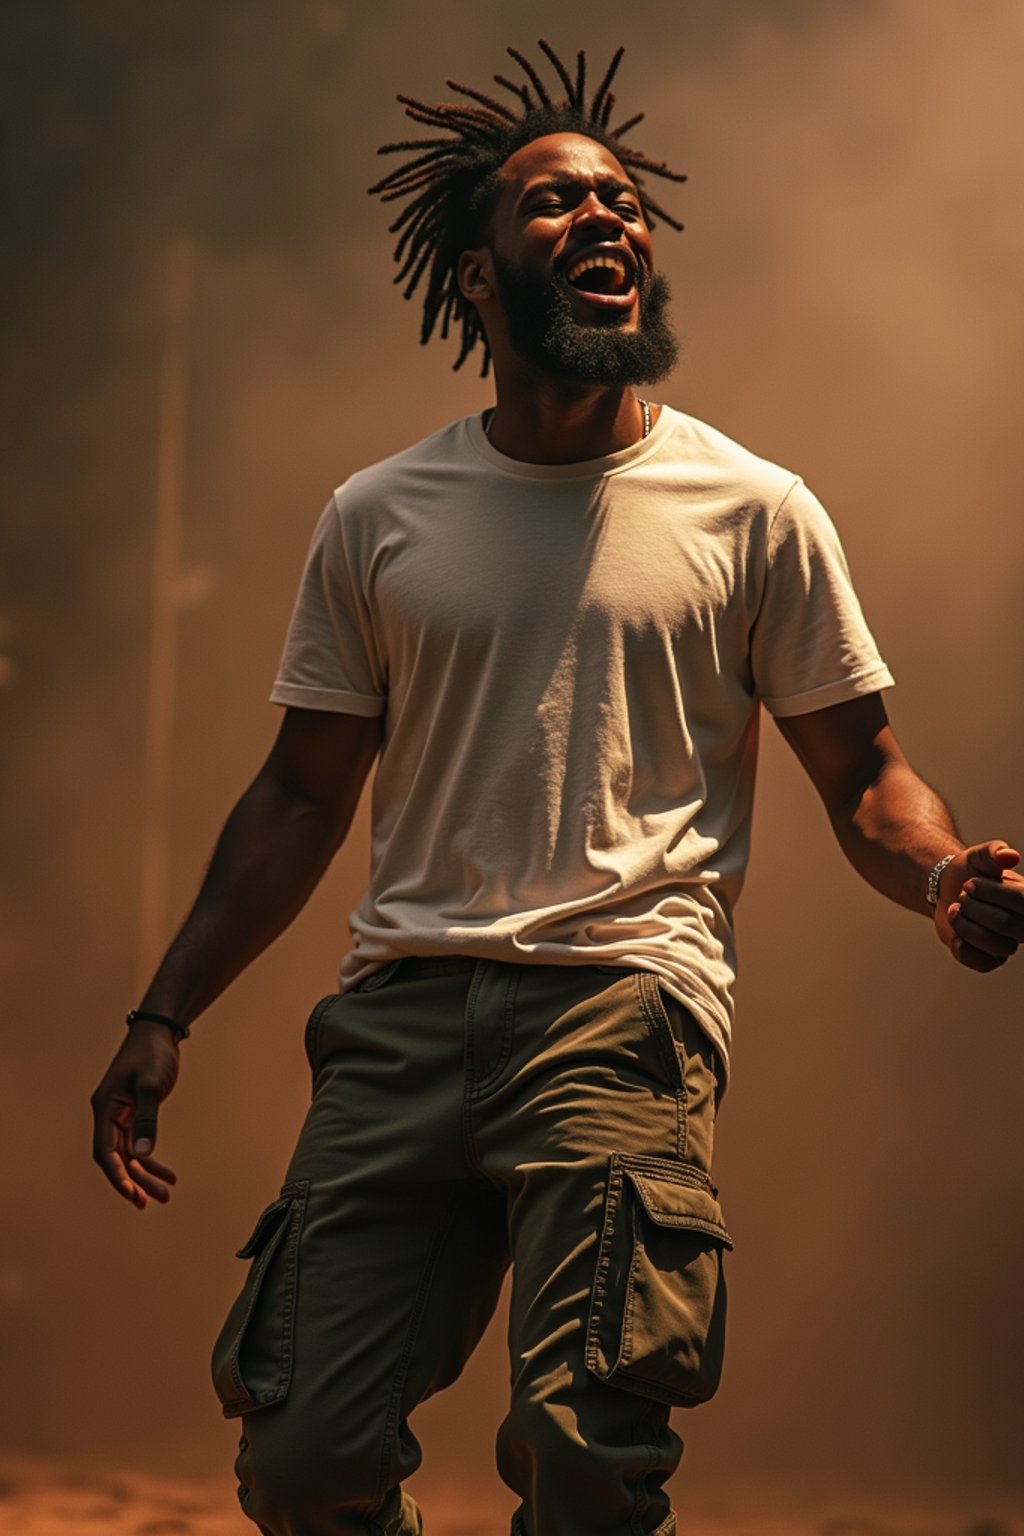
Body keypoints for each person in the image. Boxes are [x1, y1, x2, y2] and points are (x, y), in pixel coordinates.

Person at [91, 41, 1023, 1536]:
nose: (609, 219)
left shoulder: (754, 511)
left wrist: (940, 874)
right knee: (303, 1462)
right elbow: (296, 800)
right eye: (559, 202)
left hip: (623, 1009)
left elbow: (867, 777)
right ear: (475, 277)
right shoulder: (378, 517)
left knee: (589, 1455)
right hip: (394, 1021)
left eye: (626, 200)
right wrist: (162, 1011)